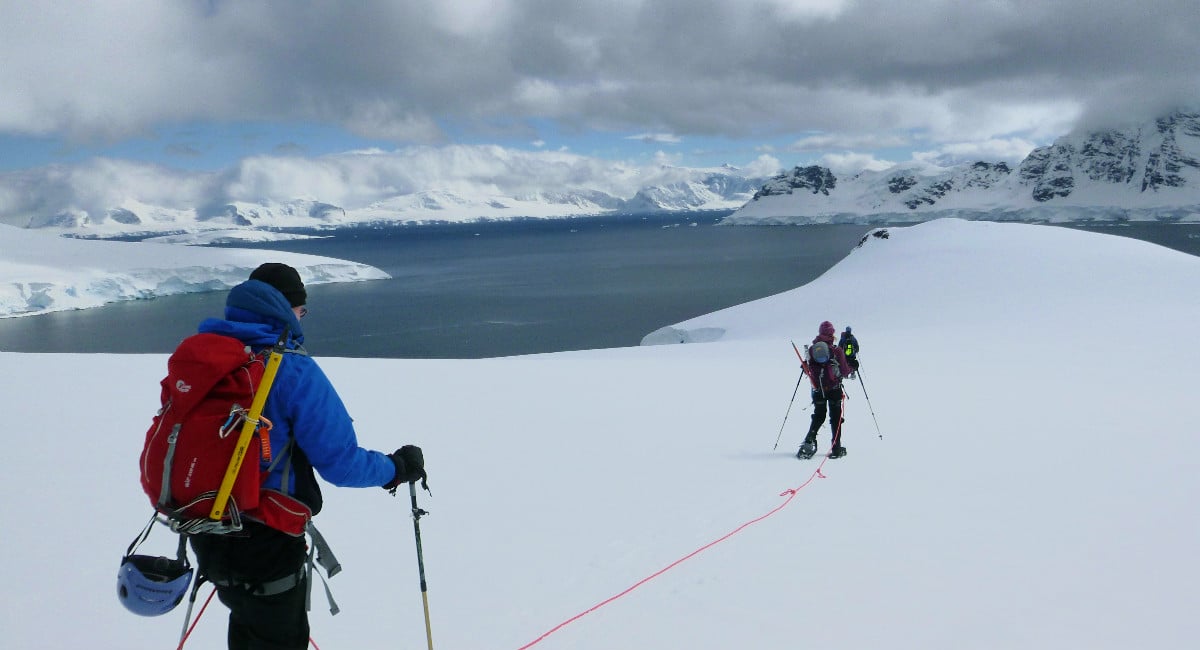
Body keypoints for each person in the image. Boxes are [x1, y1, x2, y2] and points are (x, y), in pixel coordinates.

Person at [187, 262, 426, 650]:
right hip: (267, 537)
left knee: (248, 626)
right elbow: (341, 463)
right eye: (301, 309)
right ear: (286, 308)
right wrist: (395, 469)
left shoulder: (209, 359)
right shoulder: (290, 368)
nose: (303, 318)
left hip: (207, 528)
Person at [798, 320, 854, 460]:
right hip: (834, 389)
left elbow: (809, 368)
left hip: (818, 389)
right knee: (835, 418)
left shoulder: (811, 349)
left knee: (819, 415)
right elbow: (845, 371)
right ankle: (836, 447)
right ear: (832, 333)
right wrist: (853, 366)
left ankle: (809, 441)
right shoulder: (836, 350)